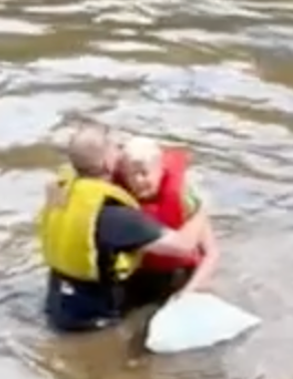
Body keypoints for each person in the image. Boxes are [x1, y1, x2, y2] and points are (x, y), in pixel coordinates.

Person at [37, 123, 207, 333]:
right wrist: (200, 210)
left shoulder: (60, 192)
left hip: (56, 308)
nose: (120, 151)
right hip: (93, 323)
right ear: (108, 162)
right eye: (116, 148)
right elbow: (183, 246)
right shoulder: (115, 215)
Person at [111, 135, 220, 306]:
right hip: (138, 277)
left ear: (160, 169)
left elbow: (211, 253)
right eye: (131, 174)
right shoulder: (117, 198)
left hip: (178, 276)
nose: (137, 181)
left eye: (144, 173)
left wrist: (188, 292)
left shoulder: (185, 199)